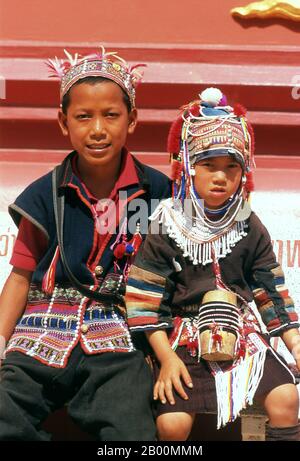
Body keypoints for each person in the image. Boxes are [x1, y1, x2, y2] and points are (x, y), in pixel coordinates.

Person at [0, 46, 171, 441]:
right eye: (83, 117)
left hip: (119, 334)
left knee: (132, 430)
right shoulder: (44, 194)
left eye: (111, 115)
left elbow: (168, 270)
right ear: (64, 122)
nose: (98, 129)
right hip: (41, 330)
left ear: (133, 119)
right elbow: (21, 276)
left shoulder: (156, 192)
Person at [125, 87, 300, 441]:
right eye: (209, 165)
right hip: (182, 339)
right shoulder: (165, 223)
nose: (221, 177)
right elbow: (143, 299)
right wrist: (165, 359)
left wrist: (295, 343)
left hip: (243, 335)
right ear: (188, 166)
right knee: (172, 425)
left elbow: (269, 290)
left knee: (286, 398)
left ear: (242, 172)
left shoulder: (248, 224)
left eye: (231, 167)